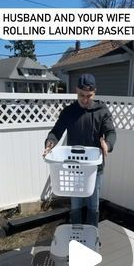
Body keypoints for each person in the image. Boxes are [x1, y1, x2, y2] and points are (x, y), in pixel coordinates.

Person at [43, 73, 116, 227]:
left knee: (93, 206)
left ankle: (92, 235)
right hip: (74, 168)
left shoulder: (102, 111)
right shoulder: (69, 111)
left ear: (95, 92)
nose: (84, 99)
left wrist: (107, 145)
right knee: (75, 205)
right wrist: (49, 144)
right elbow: (56, 132)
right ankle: (75, 233)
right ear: (76, 91)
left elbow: (111, 132)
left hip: (94, 170)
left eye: (88, 96)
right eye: (81, 95)